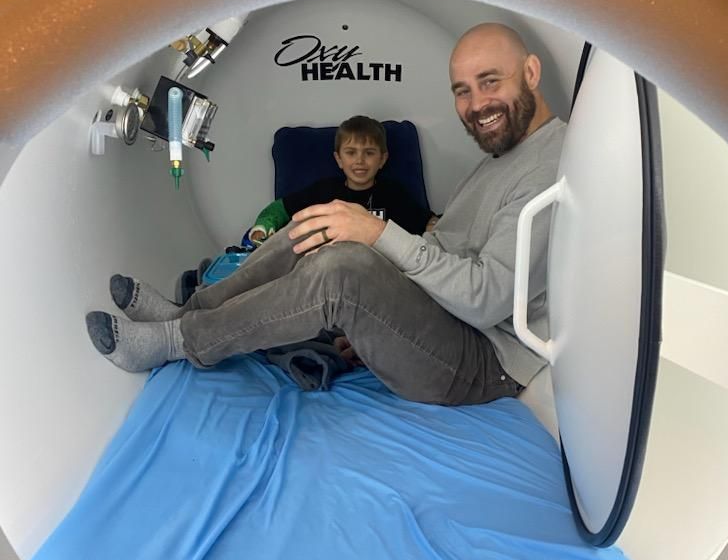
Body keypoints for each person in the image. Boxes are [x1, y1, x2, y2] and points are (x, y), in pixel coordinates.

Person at [86, 23, 566, 406]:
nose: (476, 104)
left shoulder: (548, 166)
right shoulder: (503, 156)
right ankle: (193, 310)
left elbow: (486, 300)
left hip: (481, 363)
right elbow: (447, 253)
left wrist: (378, 234)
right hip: (444, 327)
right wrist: (386, 321)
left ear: (530, 71)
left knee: (343, 268)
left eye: (490, 82)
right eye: (463, 90)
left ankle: (180, 340)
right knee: (319, 223)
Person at [242, 114, 432, 245]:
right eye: (351, 153)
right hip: (330, 266)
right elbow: (280, 208)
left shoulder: (394, 194)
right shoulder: (323, 191)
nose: (360, 161)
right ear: (339, 159)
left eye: (369, 153)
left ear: (382, 159)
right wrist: (263, 227)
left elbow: (427, 224)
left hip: (378, 270)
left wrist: (435, 226)